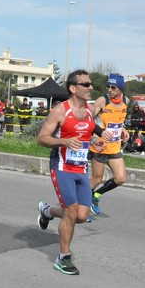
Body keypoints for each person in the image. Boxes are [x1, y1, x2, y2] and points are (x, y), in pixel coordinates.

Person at [36, 70, 106, 275]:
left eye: (90, 84)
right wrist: (64, 141)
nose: (90, 87)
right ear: (73, 88)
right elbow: (42, 138)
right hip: (61, 167)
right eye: (85, 84)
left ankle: (47, 211)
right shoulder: (60, 111)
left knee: (82, 216)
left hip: (81, 167)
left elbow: (86, 134)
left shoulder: (90, 111)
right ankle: (63, 257)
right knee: (71, 212)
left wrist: (95, 142)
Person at [89, 73, 130, 215]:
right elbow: (88, 120)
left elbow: (119, 120)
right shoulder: (102, 100)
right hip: (99, 146)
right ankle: (80, 205)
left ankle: (96, 195)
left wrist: (123, 130)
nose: (110, 89)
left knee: (121, 178)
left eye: (113, 87)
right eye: (108, 86)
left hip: (114, 147)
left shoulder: (126, 101)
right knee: (97, 179)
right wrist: (97, 135)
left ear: (120, 88)